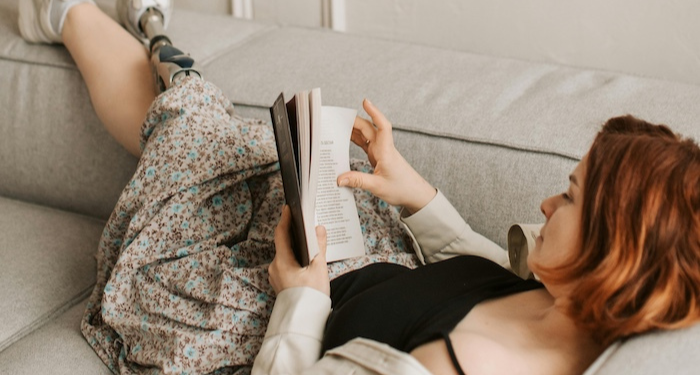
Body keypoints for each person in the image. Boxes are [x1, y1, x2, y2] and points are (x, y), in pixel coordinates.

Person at [19, 1, 700, 375]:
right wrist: (415, 194)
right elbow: (478, 271)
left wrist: (301, 299)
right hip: (348, 260)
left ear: (615, 251)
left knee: (198, 128)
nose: (550, 202)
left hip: (263, 318)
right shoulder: (564, 304)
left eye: (574, 197)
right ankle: (141, 35)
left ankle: (77, 16)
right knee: (237, 141)